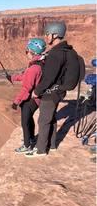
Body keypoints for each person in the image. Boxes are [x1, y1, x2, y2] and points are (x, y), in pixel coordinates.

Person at [25, 21, 76, 157]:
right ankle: (52, 144)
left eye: (48, 34)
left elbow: (48, 78)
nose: (46, 37)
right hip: (59, 91)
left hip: (51, 92)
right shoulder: (65, 51)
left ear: (55, 35)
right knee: (51, 118)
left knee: (43, 120)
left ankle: (40, 149)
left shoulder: (55, 54)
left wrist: (37, 91)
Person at [8, 38, 46, 153]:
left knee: (25, 122)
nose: (26, 53)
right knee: (29, 119)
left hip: (31, 100)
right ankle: (31, 138)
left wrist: (16, 101)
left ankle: (27, 145)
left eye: (27, 51)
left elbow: (26, 88)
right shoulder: (39, 63)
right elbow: (25, 76)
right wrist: (13, 78)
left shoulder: (33, 68)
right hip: (36, 98)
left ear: (32, 52)